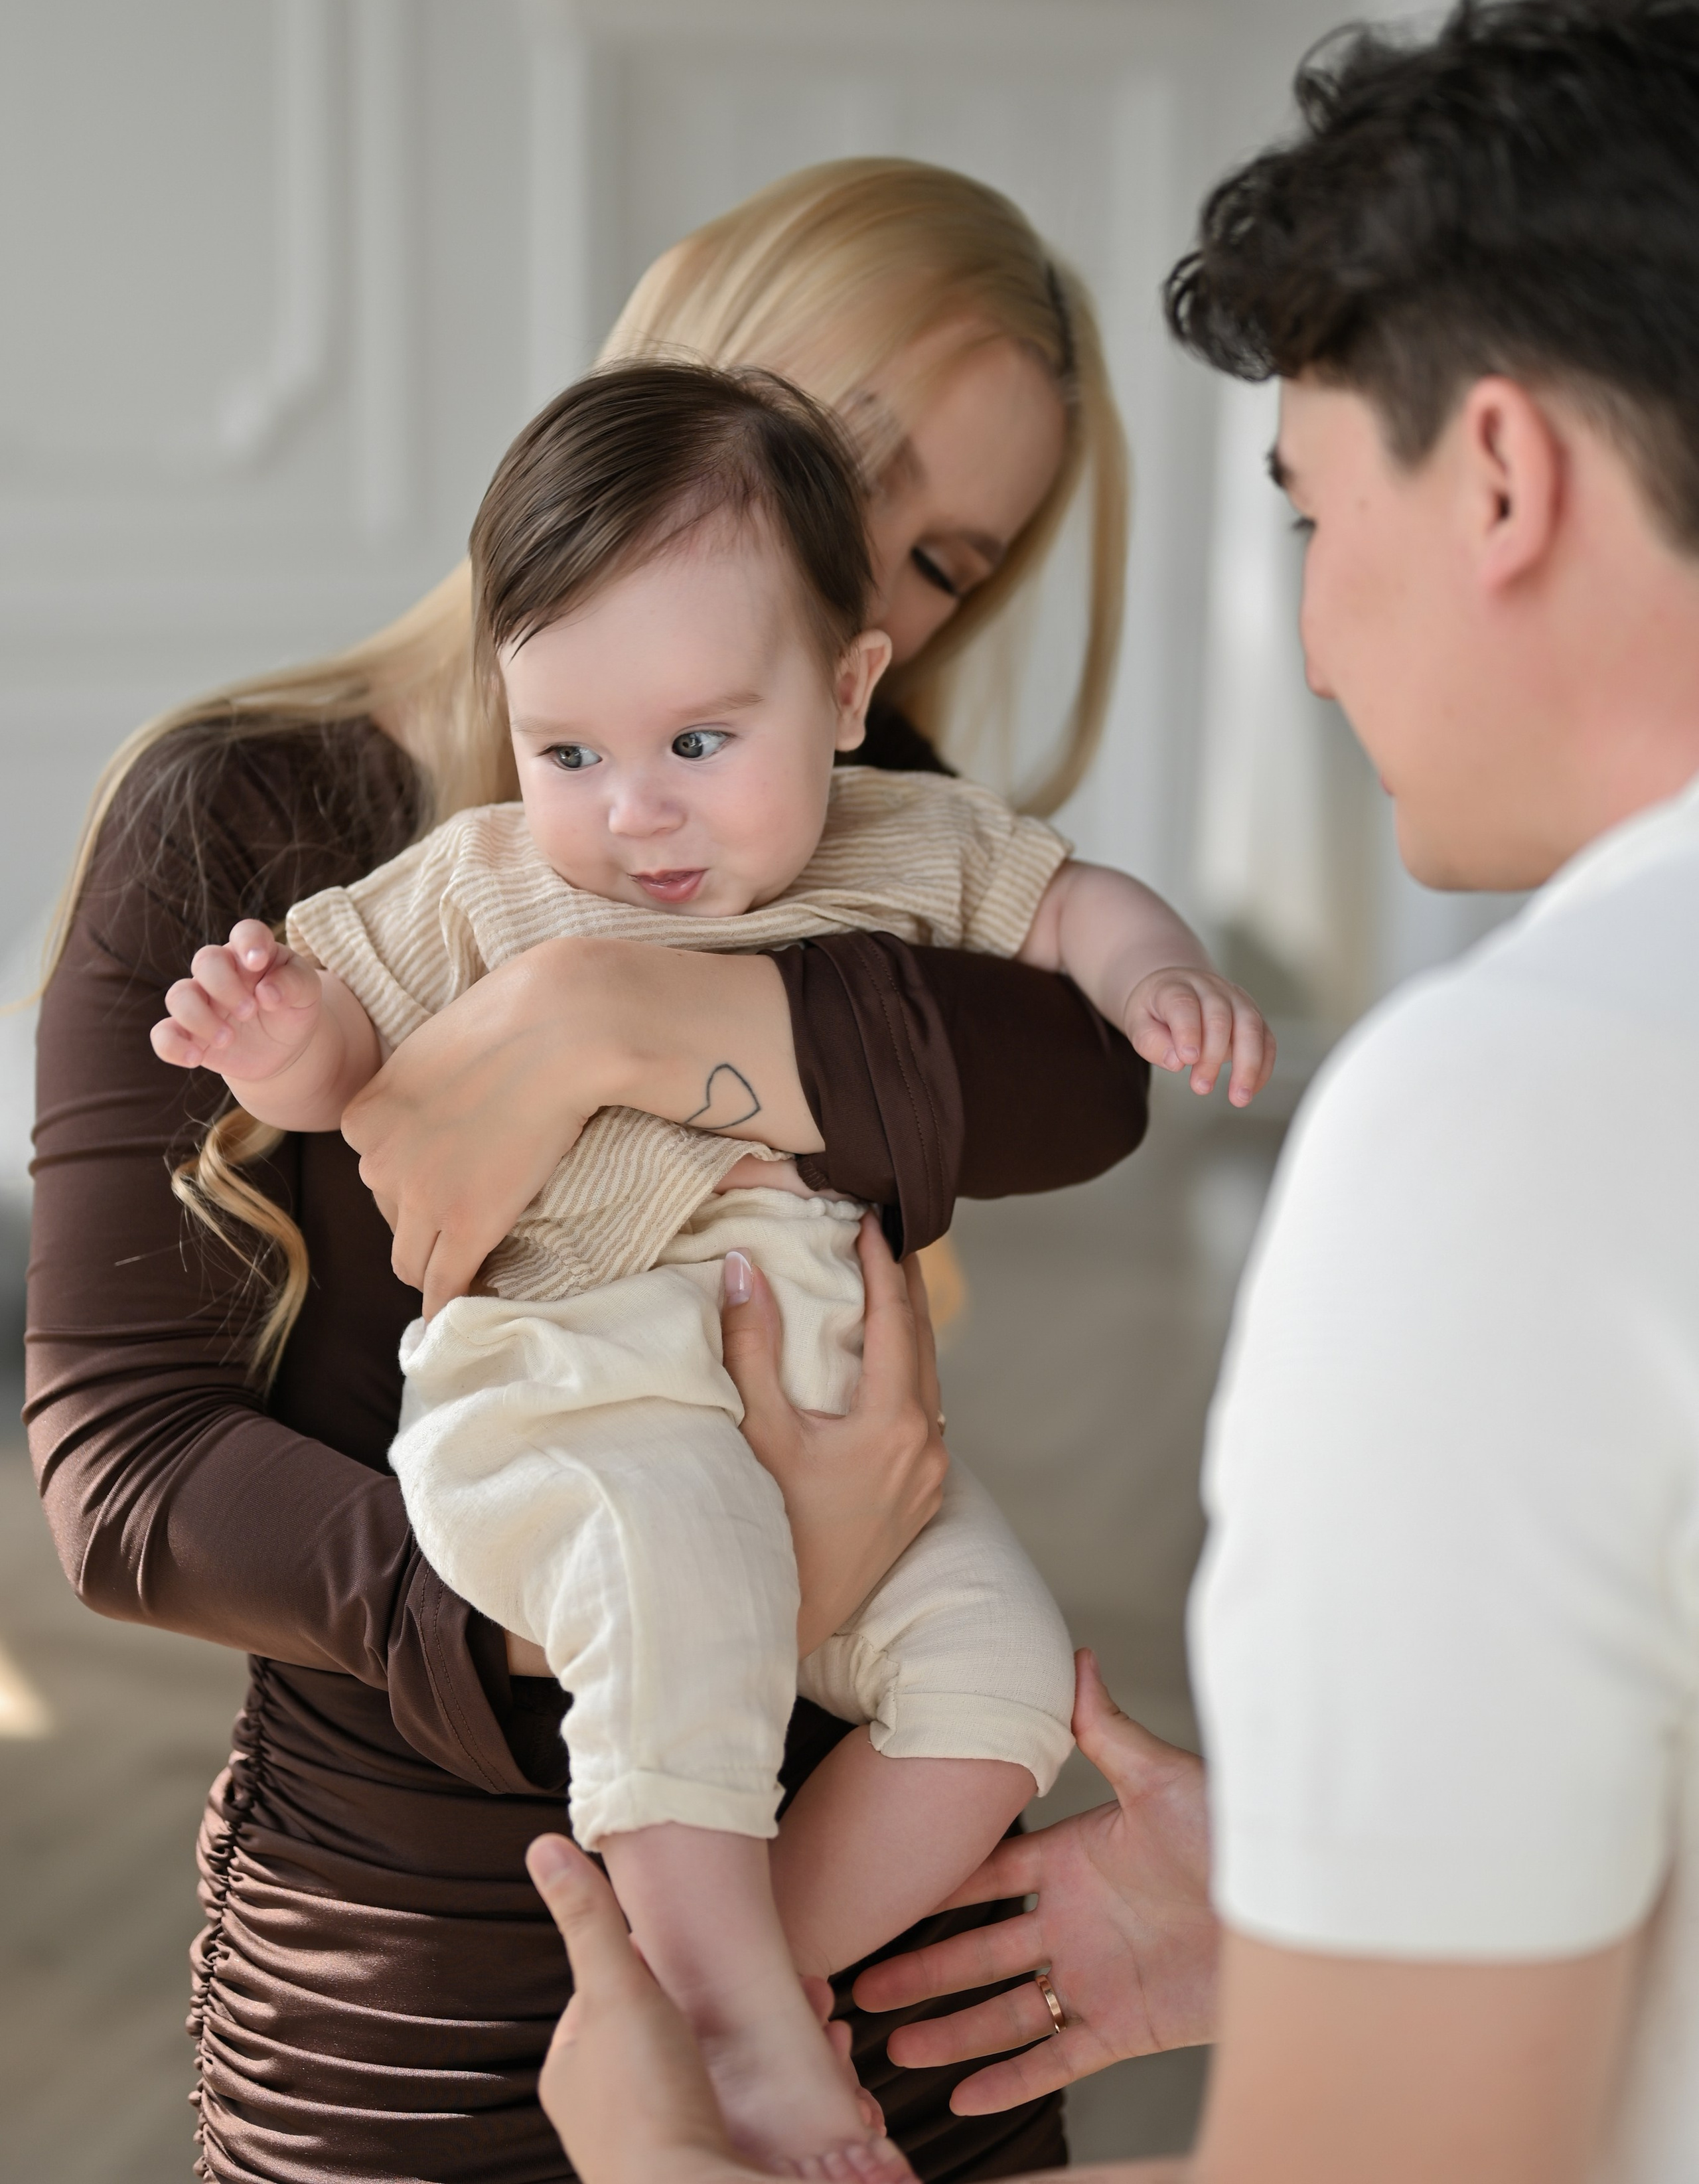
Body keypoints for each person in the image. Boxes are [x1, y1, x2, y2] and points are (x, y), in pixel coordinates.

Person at [525, 0, 1699, 2184]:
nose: (1325, 633)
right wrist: (1357, 1924)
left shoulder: (1517, 1123)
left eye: (1314, 519)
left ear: (1509, 476)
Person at [27, 159, 1158, 2182]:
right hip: (428, 1958)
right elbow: (125, 1476)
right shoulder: (259, 821)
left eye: (948, 564)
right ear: (665, 396)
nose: (870, 585)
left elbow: (1097, 1079)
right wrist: (635, 1609)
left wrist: (614, 1021)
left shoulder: (863, 843)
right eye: (837, 466)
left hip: (879, 1948)